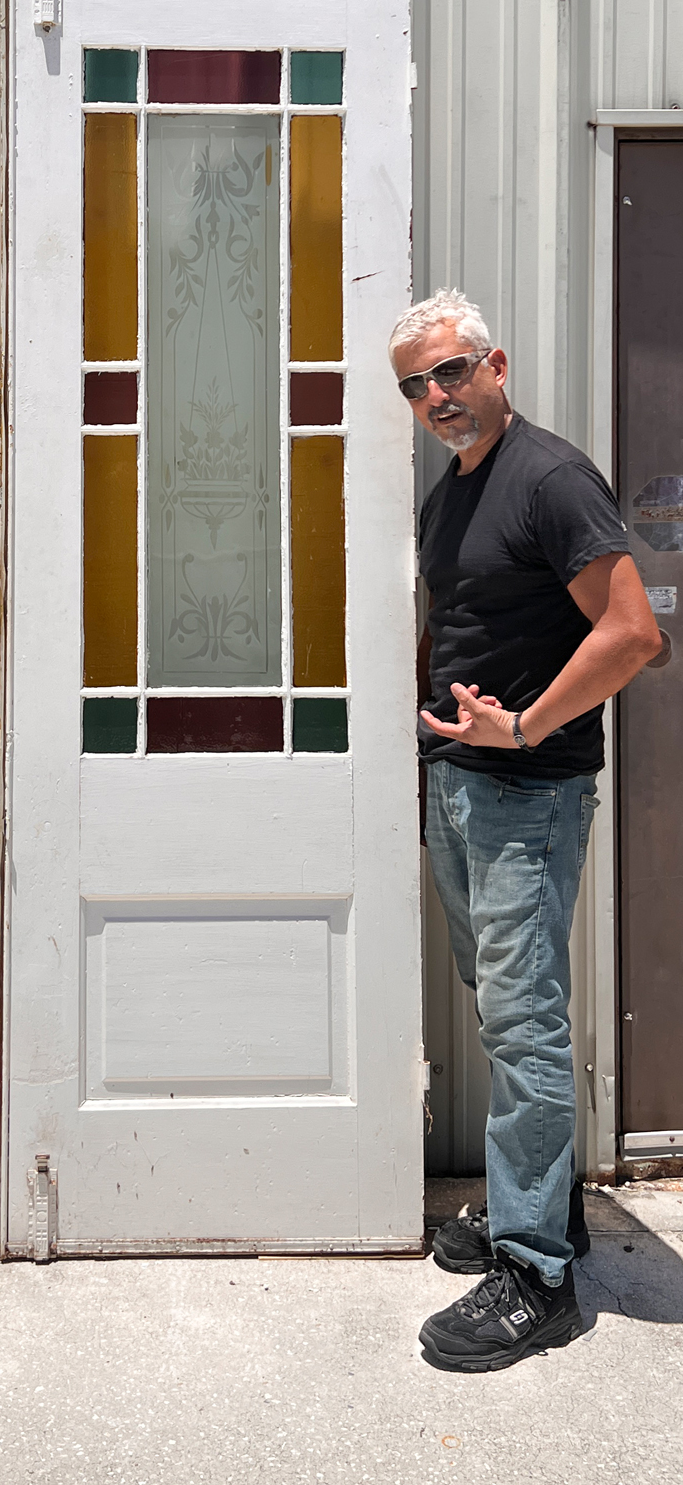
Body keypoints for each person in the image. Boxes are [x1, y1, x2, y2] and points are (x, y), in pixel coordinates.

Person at [390, 289, 664, 1374]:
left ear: (494, 365)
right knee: (505, 1010)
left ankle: (537, 1274)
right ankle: (539, 1208)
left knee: (524, 1026)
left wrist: (525, 728)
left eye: (451, 371)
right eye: (416, 385)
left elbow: (635, 632)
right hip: (460, 785)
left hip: (526, 792)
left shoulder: (551, 477)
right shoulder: (454, 490)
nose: (437, 397)